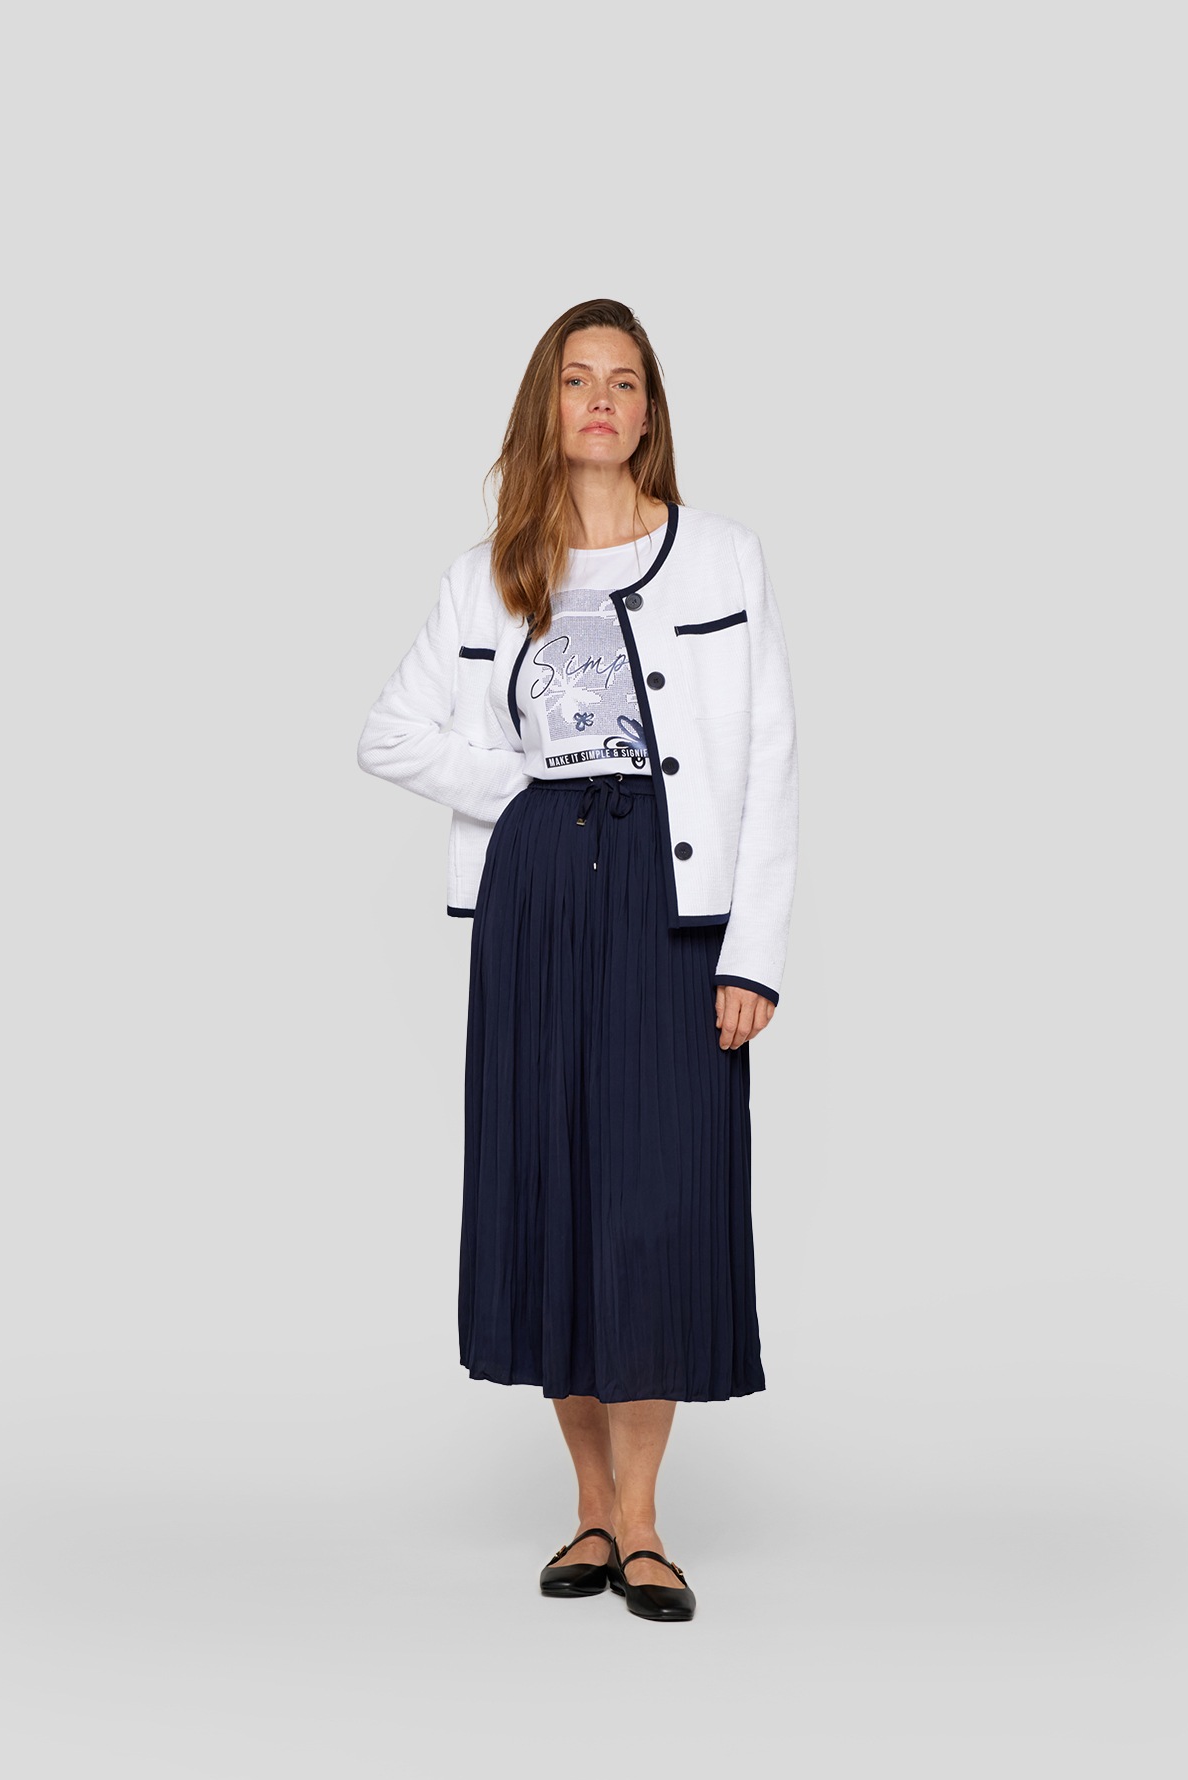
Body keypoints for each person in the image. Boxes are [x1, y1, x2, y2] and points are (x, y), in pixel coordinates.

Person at [357, 298, 799, 1622]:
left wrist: (753, 954)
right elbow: (391, 731)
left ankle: (648, 1523)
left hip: (675, 898)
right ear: (545, 408)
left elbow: (769, 760)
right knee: (553, 1186)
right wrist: (526, 788)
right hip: (539, 890)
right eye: (575, 380)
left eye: (624, 381)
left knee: (655, 1197)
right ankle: (592, 1514)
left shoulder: (722, 558)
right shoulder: (487, 571)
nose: (600, 400)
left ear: (650, 412)